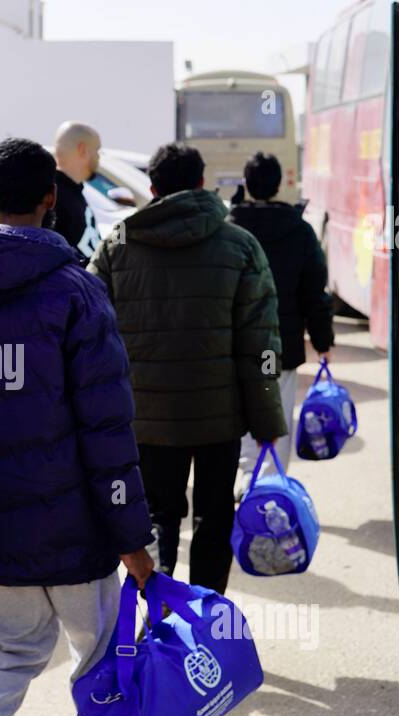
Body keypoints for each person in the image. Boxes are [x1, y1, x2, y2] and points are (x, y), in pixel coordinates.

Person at [0, 137, 155, 716]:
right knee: (100, 661)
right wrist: (131, 538)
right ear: (52, 199)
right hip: (77, 533)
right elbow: (107, 430)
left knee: (10, 653)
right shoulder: (77, 293)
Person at [86, 142, 285, 593]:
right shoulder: (240, 245)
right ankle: (206, 619)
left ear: (152, 188)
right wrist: (267, 419)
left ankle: (159, 621)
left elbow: (92, 335)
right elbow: (262, 346)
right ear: (201, 183)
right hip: (221, 418)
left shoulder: (117, 244)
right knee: (215, 517)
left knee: (156, 517)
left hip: (147, 419)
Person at [228, 152, 335, 480]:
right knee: (277, 416)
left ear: (246, 184)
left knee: (241, 413)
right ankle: (272, 489)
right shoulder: (299, 231)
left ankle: (246, 483)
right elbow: (315, 292)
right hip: (281, 347)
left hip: (237, 345)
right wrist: (322, 340)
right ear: (279, 185)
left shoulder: (230, 229)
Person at [51, 121, 103, 262]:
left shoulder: (72, 192)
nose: (99, 157)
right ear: (83, 150)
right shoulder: (53, 197)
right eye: (97, 150)